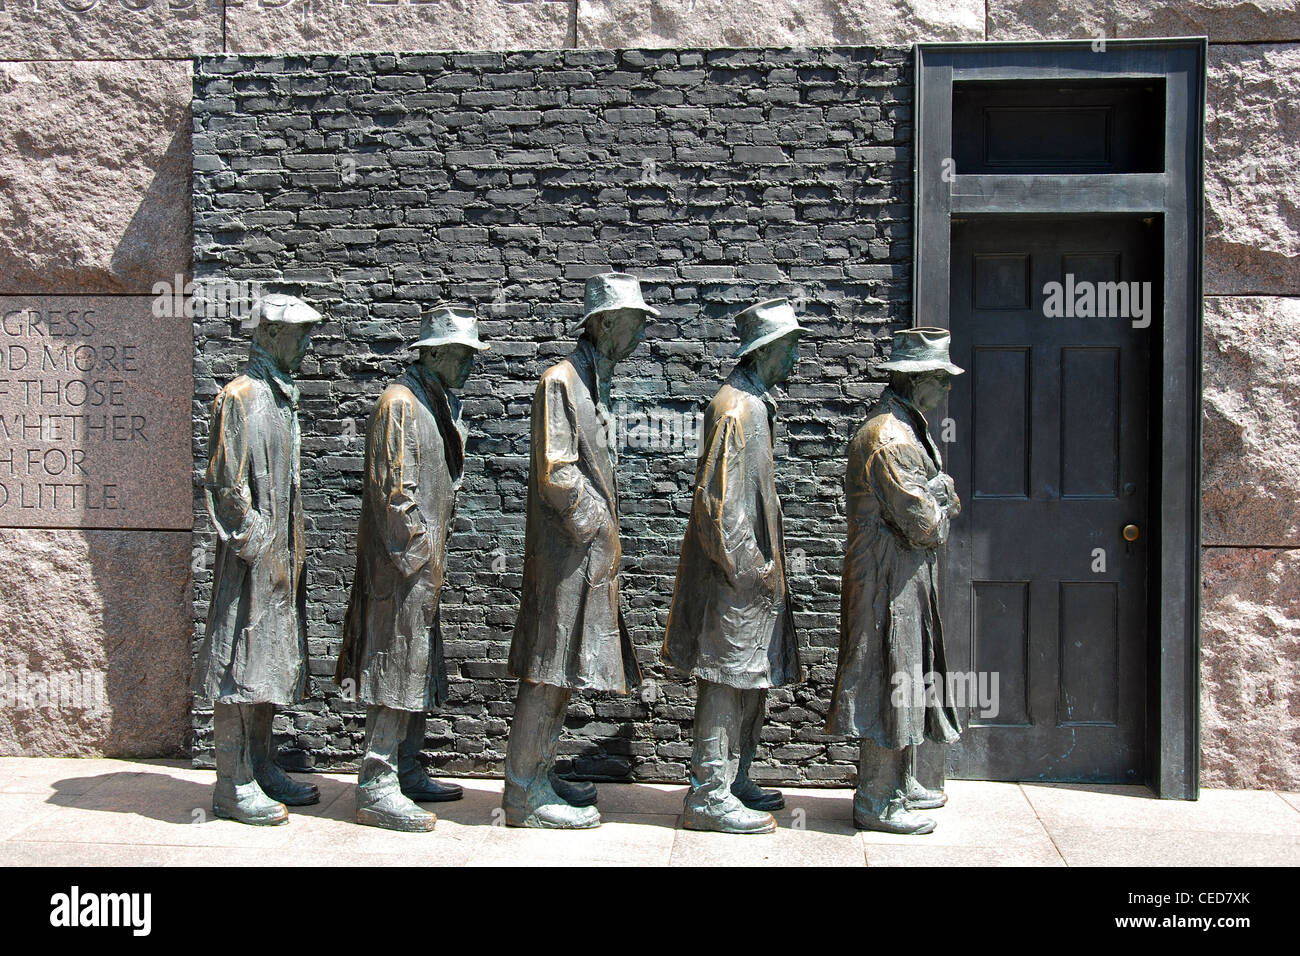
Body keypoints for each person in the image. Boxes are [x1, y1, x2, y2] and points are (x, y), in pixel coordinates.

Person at [503, 273, 654, 829]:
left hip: (585, 558)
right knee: (548, 669)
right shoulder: (560, 382)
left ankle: (538, 773)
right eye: (634, 323)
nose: (640, 335)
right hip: (566, 558)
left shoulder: (594, 382)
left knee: (563, 669)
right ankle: (521, 794)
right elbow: (557, 471)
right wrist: (598, 526)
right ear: (606, 323)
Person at [336, 306, 487, 831]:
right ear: (436, 353)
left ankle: (407, 764)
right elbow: (394, 495)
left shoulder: (434, 402)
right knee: (394, 662)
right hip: (402, 569)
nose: (471, 363)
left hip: (421, 568)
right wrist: (420, 556)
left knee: (416, 662)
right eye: (464, 354)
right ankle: (377, 783)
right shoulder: (399, 403)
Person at [662, 298, 805, 834]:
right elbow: (719, 506)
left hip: (751, 578)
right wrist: (750, 570)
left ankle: (735, 777)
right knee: (724, 680)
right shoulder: (736, 409)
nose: (796, 357)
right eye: (790, 346)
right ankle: (708, 793)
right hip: (736, 579)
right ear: (766, 350)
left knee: (750, 678)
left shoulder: (753, 403)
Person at [824, 326, 965, 834]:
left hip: (903, 575)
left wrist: (936, 494)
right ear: (916, 380)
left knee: (907, 673)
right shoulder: (889, 437)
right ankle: (876, 799)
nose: (947, 389)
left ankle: (900, 782)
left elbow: (928, 506)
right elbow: (924, 523)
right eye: (941, 380)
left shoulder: (908, 425)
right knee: (889, 675)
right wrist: (941, 497)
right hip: (887, 579)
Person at [196, 292, 323, 826]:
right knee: (237, 663)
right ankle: (232, 782)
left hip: (279, 555)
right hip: (252, 559)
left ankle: (263, 765)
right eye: (300, 334)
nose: (308, 343)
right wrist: (259, 542)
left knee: (267, 658)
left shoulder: (281, 396)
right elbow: (227, 487)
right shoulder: (240, 396)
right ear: (269, 335)